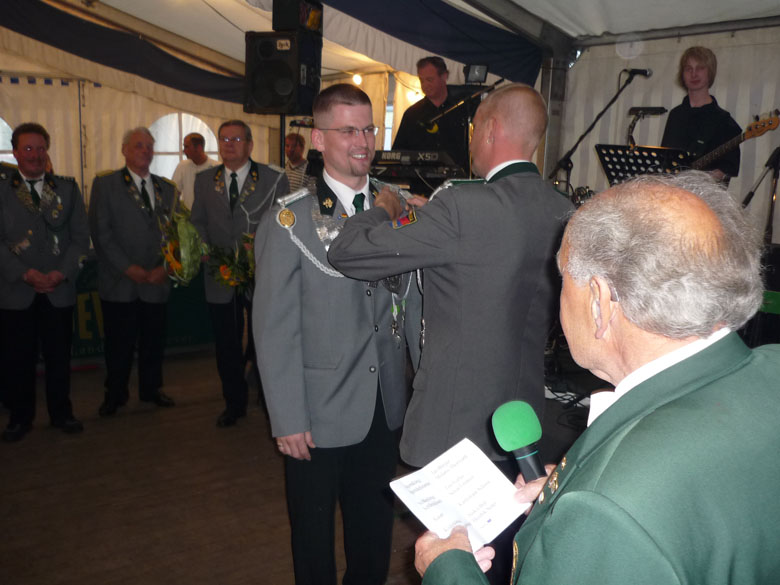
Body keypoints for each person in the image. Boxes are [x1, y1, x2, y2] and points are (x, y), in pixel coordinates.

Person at [414, 171, 780, 585]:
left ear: (600, 303)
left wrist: (447, 568)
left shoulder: (604, 509)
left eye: (563, 280)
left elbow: (628, 507)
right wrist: (574, 481)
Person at [328, 83, 573, 584]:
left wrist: (386, 208)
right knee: (503, 556)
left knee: (453, 559)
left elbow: (348, 253)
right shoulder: (560, 208)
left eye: (474, 128)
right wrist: (431, 219)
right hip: (521, 419)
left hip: (454, 427)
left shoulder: (462, 205)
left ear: (491, 129)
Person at [252, 83, 421, 585]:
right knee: (312, 539)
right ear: (319, 139)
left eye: (368, 129)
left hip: (383, 405)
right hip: (316, 412)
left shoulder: (401, 209)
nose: (362, 142)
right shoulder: (289, 220)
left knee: (373, 539)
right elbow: (274, 328)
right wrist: (287, 417)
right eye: (348, 131)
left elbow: (414, 308)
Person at [191, 120, 288, 428]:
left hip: (261, 274)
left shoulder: (273, 178)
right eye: (223, 139)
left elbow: (285, 222)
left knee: (265, 341)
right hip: (219, 275)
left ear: (249, 144)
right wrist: (205, 248)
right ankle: (234, 403)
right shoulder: (205, 180)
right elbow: (197, 221)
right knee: (226, 344)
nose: (228, 144)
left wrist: (261, 249)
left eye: (235, 139)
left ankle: (271, 401)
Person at [0, 122, 89, 441]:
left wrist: (61, 273)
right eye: (28, 148)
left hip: (57, 288)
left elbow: (80, 239)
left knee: (59, 357)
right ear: (15, 153)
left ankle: (62, 414)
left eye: (40, 148)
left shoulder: (67, 188)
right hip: (16, 290)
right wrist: (24, 273)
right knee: (17, 359)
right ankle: (19, 418)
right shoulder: (2, 190)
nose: (35, 155)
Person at [89, 127, 178, 417]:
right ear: (124, 150)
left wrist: (166, 268)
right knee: (119, 345)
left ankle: (151, 390)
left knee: (154, 342)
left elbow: (178, 233)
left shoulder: (167, 188)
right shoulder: (106, 184)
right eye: (138, 145)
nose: (145, 150)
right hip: (121, 281)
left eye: (149, 146)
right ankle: (115, 395)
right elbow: (101, 233)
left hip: (156, 280)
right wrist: (128, 268)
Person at [661, 46, 742, 181]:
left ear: (710, 72)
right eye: (688, 69)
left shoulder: (724, 121)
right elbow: (665, 160)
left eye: (700, 68)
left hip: (705, 192)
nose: (694, 74)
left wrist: (708, 178)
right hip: (674, 191)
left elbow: (729, 167)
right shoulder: (676, 115)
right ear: (683, 74)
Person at [393, 56, 471, 172]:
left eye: (429, 80)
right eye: (422, 80)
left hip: (458, 179)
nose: (425, 85)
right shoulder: (412, 114)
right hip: (420, 180)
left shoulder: (463, 109)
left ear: (444, 76)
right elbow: (397, 153)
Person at [171, 132, 218, 210]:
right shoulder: (182, 166)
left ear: (199, 148)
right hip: (189, 215)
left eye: (187, 147)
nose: (184, 151)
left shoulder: (217, 167)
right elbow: (174, 193)